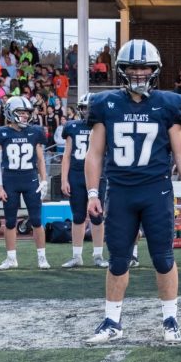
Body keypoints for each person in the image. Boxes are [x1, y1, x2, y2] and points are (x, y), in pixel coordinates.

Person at [83, 39, 181, 345]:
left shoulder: (168, 104)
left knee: (163, 257)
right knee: (117, 259)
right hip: (119, 192)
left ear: (154, 70)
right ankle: (112, 321)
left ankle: (170, 319)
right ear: (123, 70)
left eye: (144, 67)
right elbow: (94, 153)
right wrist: (93, 191)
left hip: (156, 190)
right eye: (133, 67)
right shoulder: (106, 104)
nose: (140, 73)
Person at [0, 96, 51, 271]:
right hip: (10, 180)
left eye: (26, 113)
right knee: (10, 222)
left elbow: (40, 159)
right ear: (10, 113)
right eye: (21, 113)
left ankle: (42, 257)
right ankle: (11, 259)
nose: (25, 116)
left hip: (30, 179)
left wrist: (44, 180)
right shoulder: (1, 133)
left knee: (37, 221)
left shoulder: (35, 131)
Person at [59, 93, 109, 269]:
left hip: (97, 175)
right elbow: (66, 156)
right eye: (84, 107)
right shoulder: (72, 126)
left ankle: (98, 255)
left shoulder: (102, 127)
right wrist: (64, 179)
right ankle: (77, 256)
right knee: (78, 216)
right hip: (76, 175)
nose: (87, 111)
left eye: (90, 108)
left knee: (97, 216)